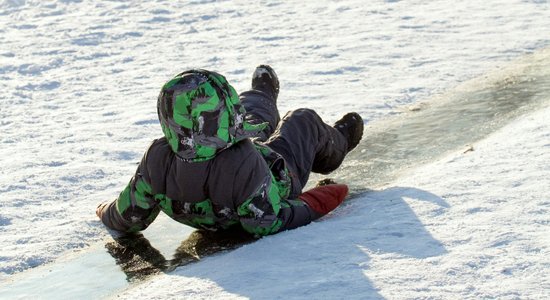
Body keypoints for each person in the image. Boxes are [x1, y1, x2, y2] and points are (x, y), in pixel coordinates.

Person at [96, 65, 364, 237]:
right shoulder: (243, 163)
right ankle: (337, 142)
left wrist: (105, 211)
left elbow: (128, 216)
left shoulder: (157, 157)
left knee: (249, 121)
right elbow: (266, 221)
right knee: (301, 122)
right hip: (277, 174)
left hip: (232, 168)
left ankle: (261, 95)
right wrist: (316, 201)